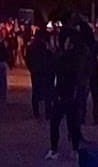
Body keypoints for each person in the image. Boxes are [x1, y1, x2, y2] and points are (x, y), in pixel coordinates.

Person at [46, 29, 87, 159]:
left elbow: (57, 75)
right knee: (71, 122)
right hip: (71, 93)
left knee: (56, 122)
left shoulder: (64, 58)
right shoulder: (78, 58)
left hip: (63, 93)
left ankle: (54, 149)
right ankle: (74, 149)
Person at [26, 30, 55, 122]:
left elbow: (27, 58)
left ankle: (36, 111)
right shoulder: (45, 46)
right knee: (48, 92)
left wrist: (31, 68)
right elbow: (51, 58)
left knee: (36, 90)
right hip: (45, 71)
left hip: (36, 71)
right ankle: (48, 111)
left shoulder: (31, 46)